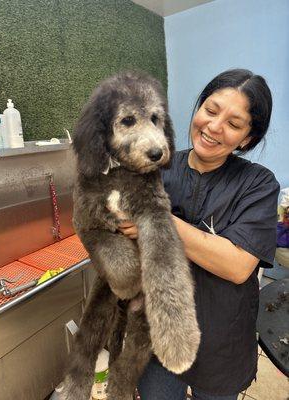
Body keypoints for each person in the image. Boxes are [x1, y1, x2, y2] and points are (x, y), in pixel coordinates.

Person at [118, 69, 280, 400]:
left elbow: (237, 266)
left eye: (234, 124)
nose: (214, 127)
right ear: (198, 107)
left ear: (246, 139)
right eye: (210, 109)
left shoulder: (258, 184)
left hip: (221, 339)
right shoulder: (158, 165)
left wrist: (159, 220)